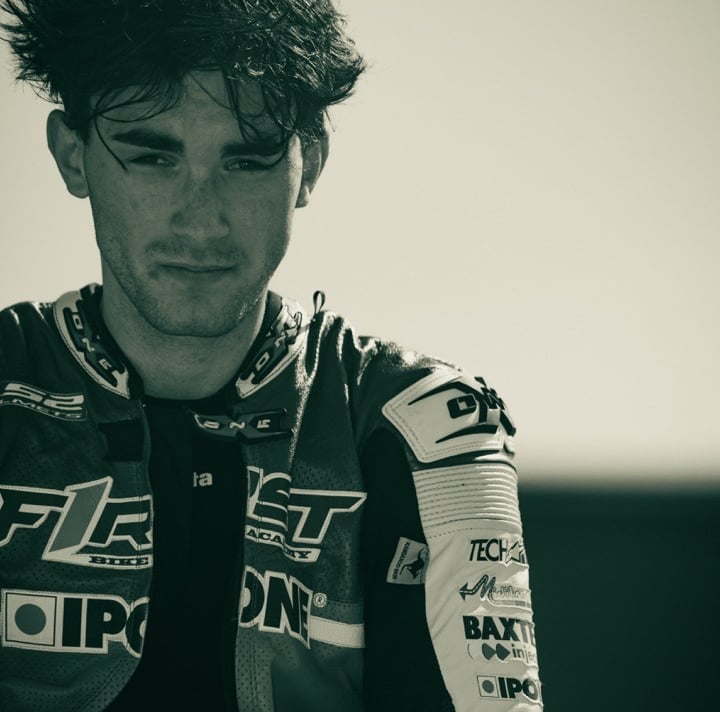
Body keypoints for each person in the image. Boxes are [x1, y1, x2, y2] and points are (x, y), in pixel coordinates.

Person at [0, 1, 542, 710]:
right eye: (153, 157)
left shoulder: (427, 427)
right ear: (73, 155)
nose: (201, 219)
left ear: (308, 164)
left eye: (247, 161)